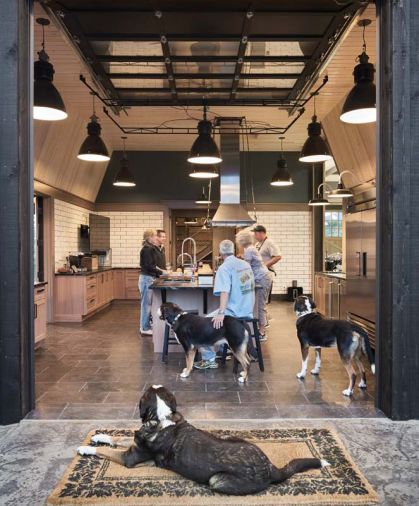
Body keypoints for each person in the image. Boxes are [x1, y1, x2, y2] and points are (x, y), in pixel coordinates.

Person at [194, 239, 255, 370]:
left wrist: (222, 313)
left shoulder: (225, 267)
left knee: (202, 325)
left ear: (221, 253)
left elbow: (224, 292)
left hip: (234, 312)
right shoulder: (245, 264)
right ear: (233, 250)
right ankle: (225, 348)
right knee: (216, 323)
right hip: (247, 309)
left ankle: (209, 359)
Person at [235, 229, 271, 341]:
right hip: (261, 277)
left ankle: (262, 332)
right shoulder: (250, 249)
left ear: (241, 240)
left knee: (261, 305)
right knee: (260, 305)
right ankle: (260, 330)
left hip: (262, 278)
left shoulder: (250, 250)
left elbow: (246, 268)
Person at [139, 229, 166, 336]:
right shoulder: (147, 249)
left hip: (149, 278)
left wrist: (162, 271)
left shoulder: (150, 248)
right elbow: (149, 266)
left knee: (148, 303)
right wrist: (162, 272)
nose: (157, 237)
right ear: (150, 238)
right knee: (146, 304)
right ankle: (144, 328)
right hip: (147, 279)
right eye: (155, 235)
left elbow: (152, 265)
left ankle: (146, 325)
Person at [253, 225, 282, 322]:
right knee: (259, 300)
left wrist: (264, 266)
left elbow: (278, 256)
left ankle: (264, 324)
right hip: (258, 275)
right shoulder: (258, 244)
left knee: (262, 301)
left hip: (265, 275)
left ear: (262, 233)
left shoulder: (269, 243)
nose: (254, 236)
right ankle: (263, 320)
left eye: (256, 234)